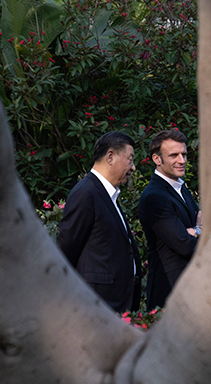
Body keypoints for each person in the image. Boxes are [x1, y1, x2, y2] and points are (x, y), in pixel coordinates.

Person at [57, 131, 142, 313]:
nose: (133, 167)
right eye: (130, 159)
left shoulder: (107, 194)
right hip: (98, 306)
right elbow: (65, 250)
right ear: (110, 156)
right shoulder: (86, 193)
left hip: (116, 305)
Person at [138, 129, 201, 309]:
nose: (182, 161)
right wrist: (198, 229)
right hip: (170, 291)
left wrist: (194, 231)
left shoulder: (181, 188)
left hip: (191, 287)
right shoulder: (154, 197)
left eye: (184, 154)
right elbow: (185, 245)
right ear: (157, 159)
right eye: (174, 155)